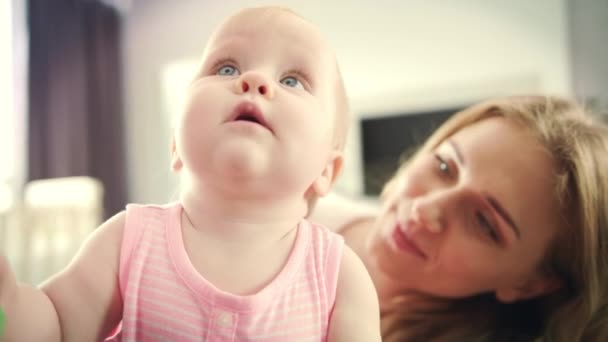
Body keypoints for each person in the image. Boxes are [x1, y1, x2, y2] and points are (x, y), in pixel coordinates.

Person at [0, 6, 382, 342]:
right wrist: (9, 301)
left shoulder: (339, 278)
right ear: (176, 146)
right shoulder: (130, 242)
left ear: (326, 170)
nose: (253, 80)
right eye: (226, 67)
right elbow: (57, 327)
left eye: (292, 80)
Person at [311, 95, 608, 341]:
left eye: (484, 223)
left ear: (529, 284)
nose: (424, 211)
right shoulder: (290, 203)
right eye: (444, 167)